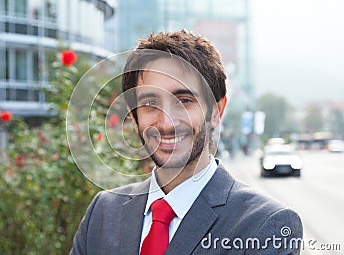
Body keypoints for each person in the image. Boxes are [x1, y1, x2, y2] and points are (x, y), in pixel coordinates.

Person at [70, 30, 303, 255]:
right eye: (150, 102)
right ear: (133, 115)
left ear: (216, 111)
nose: (166, 123)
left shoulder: (265, 225)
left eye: (184, 100)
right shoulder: (102, 213)